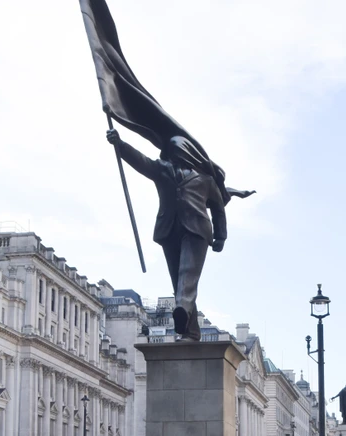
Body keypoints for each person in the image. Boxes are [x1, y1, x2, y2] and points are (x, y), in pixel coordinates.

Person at [107, 129, 251, 341]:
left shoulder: (205, 180)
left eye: (176, 153)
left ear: (186, 154)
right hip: (169, 230)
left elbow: (218, 208)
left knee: (187, 275)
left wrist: (221, 236)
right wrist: (120, 145)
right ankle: (191, 330)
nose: (173, 157)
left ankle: (182, 308)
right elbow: (141, 161)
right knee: (178, 282)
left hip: (197, 230)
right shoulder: (162, 169)